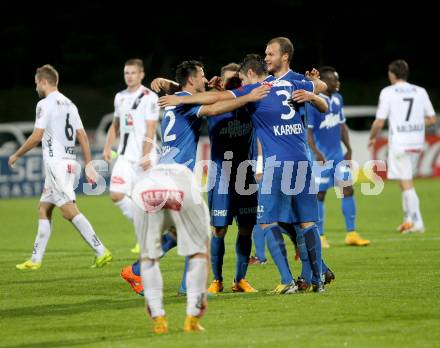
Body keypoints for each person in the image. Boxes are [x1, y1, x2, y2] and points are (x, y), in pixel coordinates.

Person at [159, 54, 328, 292]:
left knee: (257, 226)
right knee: (220, 229)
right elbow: (209, 97)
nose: (235, 84)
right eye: (230, 80)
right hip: (222, 176)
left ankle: (243, 279)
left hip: (248, 174)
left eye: (237, 79)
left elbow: (264, 124)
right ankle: (217, 280)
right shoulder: (225, 104)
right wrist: (171, 87)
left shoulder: (250, 101)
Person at [121, 60, 267, 297]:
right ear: (191, 80)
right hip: (176, 176)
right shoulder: (186, 104)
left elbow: (189, 92)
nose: (204, 78)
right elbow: (212, 109)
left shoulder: (177, 99)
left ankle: (138, 271)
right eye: (201, 75)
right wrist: (247, 97)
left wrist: (167, 83)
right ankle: (184, 286)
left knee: (179, 233)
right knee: (198, 231)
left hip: (165, 174)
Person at [10, 64, 112, 270]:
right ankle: (36, 260)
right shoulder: (69, 104)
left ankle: (101, 250)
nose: (35, 87)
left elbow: (37, 135)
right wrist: (88, 163)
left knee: (68, 211)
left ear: (43, 82)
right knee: (44, 208)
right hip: (68, 163)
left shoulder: (44, 104)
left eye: (36, 83)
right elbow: (82, 136)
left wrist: (17, 154)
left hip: (57, 165)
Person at [131, 163, 210, 333]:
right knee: (198, 255)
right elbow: (204, 253)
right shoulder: (194, 187)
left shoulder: (146, 177)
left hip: (142, 193)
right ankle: (192, 318)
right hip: (185, 194)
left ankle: (159, 319)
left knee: (149, 258)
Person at [369, 59, 436, 233]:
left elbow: (379, 121)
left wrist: (372, 137)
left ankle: (417, 221)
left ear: (392, 74)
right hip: (416, 141)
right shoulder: (420, 91)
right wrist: (416, 122)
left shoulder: (388, 92)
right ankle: (408, 219)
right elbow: (431, 119)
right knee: (405, 180)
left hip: (400, 142)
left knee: (406, 183)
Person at [307, 66, 370, 247]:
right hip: (321, 158)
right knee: (320, 194)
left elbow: (342, 126)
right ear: (325, 82)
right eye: (335, 80)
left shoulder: (338, 99)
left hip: (337, 155)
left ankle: (351, 233)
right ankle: (320, 236)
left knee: (348, 189)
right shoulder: (314, 102)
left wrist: (348, 149)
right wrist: (316, 153)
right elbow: (308, 133)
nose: (338, 83)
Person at [102, 59, 159, 254]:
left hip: (145, 156)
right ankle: (147, 230)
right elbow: (115, 124)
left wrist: (146, 155)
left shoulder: (149, 97)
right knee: (116, 194)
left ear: (141, 75)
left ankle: (146, 236)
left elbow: (151, 128)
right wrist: (108, 146)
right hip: (125, 156)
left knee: (142, 200)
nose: (129, 76)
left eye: (133, 73)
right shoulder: (120, 97)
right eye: (127, 73)